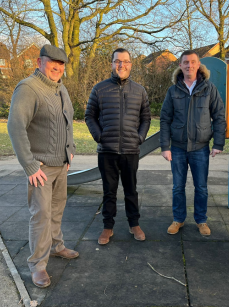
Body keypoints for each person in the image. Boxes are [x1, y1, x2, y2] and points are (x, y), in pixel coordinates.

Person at [8, 45, 79, 288]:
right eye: (53, 64)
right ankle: (37, 265)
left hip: (61, 164)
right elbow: (15, 127)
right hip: (40, 169)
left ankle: (57, 246)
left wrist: (69, 151)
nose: (58, 68)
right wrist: (29, 165)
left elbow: (67, 121)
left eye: (61, 66)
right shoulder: (28, 88)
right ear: (39, 62)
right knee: (41, 215)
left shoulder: (61, 88)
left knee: (57, 209)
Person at [85, 48, 151, 245]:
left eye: (125, 61)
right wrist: (99, 136)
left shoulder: (139, 90)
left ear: (131, 64)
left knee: (131, 190)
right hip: (107, 151)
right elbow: (90, 116)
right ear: (112, 64)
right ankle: (108, 227)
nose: (121, 65)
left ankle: (134, 224)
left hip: (131, 150)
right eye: (117, 61)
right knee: (109, 191)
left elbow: (146, 118)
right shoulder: (99, 89)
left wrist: (139, 137)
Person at [160, 50, 226, 236]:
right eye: (185, 62)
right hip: (178, 148)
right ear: (180, 65)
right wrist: (165, 147)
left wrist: (218, 143)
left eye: (193, 62)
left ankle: (201, 220)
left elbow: (219, 116)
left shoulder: (209, 89)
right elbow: (165, 119)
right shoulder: (173, 91)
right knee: (178, 187)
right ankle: (178, 219)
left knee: (201, 187)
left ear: (199, 65)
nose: (189, 65)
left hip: (200, 148)